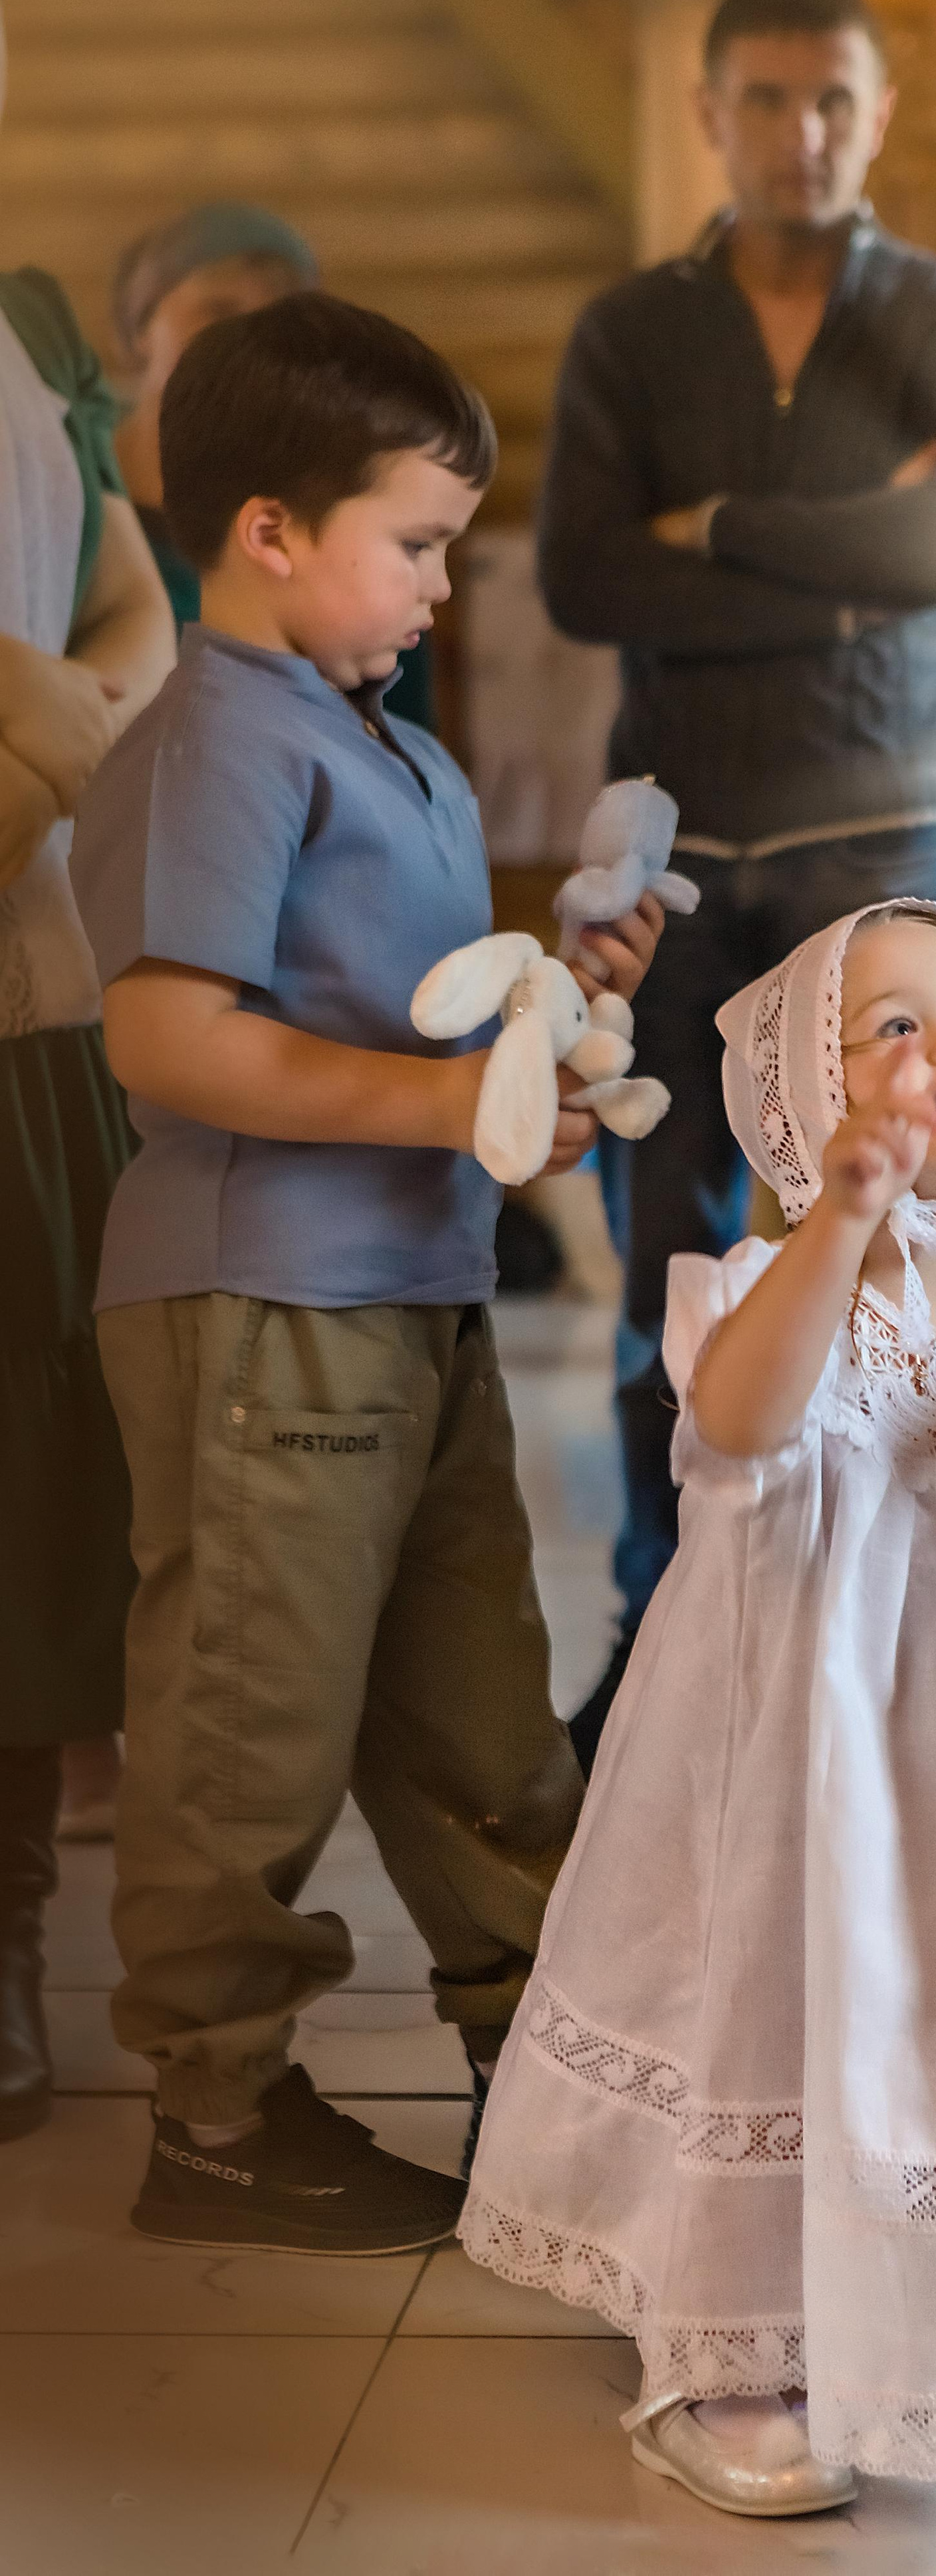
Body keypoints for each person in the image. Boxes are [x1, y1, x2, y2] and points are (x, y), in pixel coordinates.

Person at [461, 901, 936, 2516]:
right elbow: (737, 1419)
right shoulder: (755, 1280)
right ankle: (721, 2349)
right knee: (784, 2012)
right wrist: (838, 1225)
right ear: (800, 1106)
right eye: (894, 1024)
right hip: (789, 1766)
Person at [68, 293, 663, 2252]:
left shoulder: (374, 744)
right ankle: (220, 2117)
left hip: (408, 1302)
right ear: (265, 530)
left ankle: (550, 2066)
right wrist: (443, 1117)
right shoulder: (217, 740)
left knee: (480, 1718)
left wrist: (549, 1037)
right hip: (267, 1305)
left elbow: (423, 1029)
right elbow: (167, 1037)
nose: (436, 584)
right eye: (412, 542)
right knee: (253, 1732)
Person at [538, 0, 936, 1756]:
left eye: (834, 100)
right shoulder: (628, 334)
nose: (801, 132)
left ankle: (895, 1654)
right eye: (765, 99)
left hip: (876, 839)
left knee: (899, 1253)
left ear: (878, 114)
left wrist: (724, 529)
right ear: (710, 112)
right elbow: (589, 578)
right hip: (678, 851)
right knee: (666, 1267)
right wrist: (846, 555)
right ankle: (666, 1648)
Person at [0, 254, 176, 2139]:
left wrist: (55, 716)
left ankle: (8, 1944)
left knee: (32, 1513)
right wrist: (67, 731)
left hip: (32, 1014)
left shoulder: (35, 325)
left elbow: (137, 599)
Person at [110, 200, 436, 728]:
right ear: (140, 328)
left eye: (283, 320)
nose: (251, 342)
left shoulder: (350, 527)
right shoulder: (59, 496)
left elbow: (400, 750)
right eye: (216, 311)